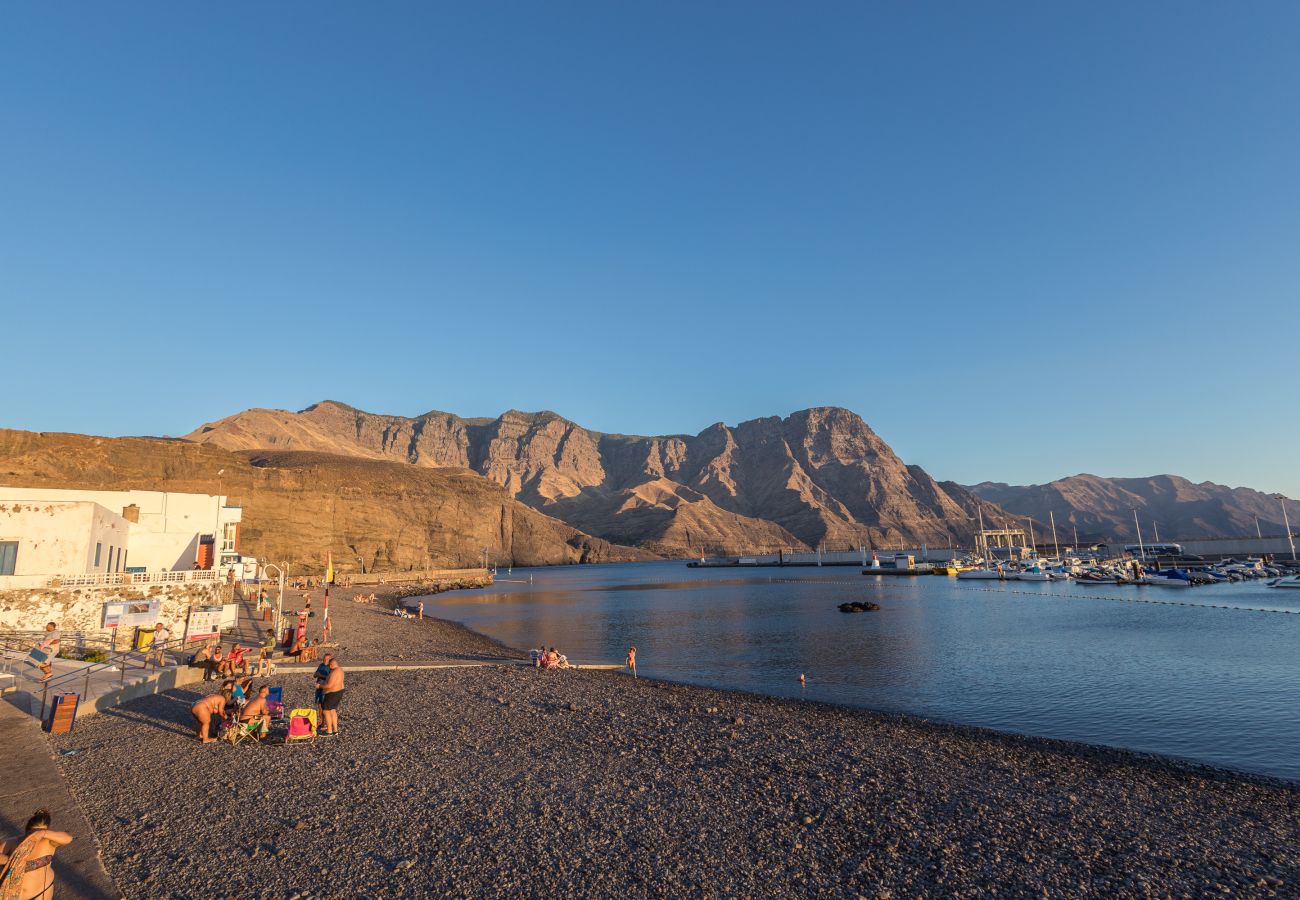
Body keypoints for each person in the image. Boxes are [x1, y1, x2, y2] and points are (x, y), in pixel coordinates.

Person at [0, 807, 73, 900]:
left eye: (40, 831)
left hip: (39, 895)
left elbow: (68, 838)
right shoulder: (11, 842)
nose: (36, 835)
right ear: (27, 830)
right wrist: (11, 860)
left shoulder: (48, 841)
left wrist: (43, 833)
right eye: (34, 832)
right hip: (9, 896)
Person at [319, 657, 345, 735]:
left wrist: (319, 686)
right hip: (339, 692)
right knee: (332, 710)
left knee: (326, 711)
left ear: (332, 664)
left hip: (332, 693)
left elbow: (329, 685)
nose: (329, 667)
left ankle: (329, 731)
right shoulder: (340, 670)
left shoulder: (334, 673)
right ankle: (335, 730)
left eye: (329, 666)